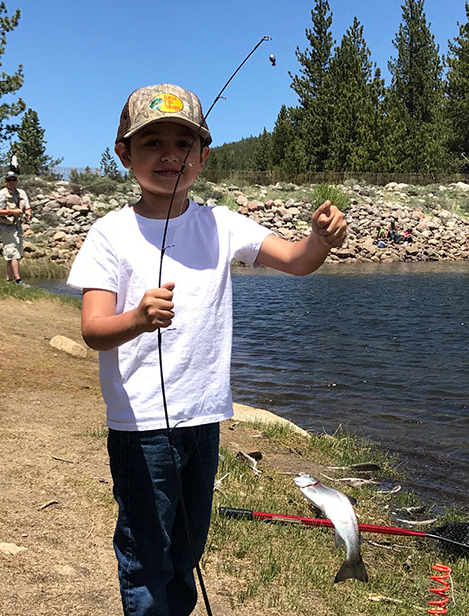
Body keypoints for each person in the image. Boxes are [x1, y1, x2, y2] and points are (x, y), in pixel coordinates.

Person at [67, 83, 347, 615]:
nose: (169, 156)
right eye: (151, 144)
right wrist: (137, 318)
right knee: (147, 550)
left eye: (183, 144)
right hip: (141, 427)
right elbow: (93, 329)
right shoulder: (110, 234)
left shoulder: (220, 223)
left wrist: (320, 240)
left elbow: (296, 260)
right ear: (124, 155)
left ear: (203, 156)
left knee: (188, 546)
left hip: (204, 418)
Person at [0, 171, 32, 286]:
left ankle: (9, 280)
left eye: (14, 180)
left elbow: (27, 206)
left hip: (17, 226)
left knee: (14, 253)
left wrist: (28, 213)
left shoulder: (22, 193)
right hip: (6, 226)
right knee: (13, 252)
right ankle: (18, 280)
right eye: (9, 180)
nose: (12, 182)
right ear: (5, 182)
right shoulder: (1, 194)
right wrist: (12, 211)